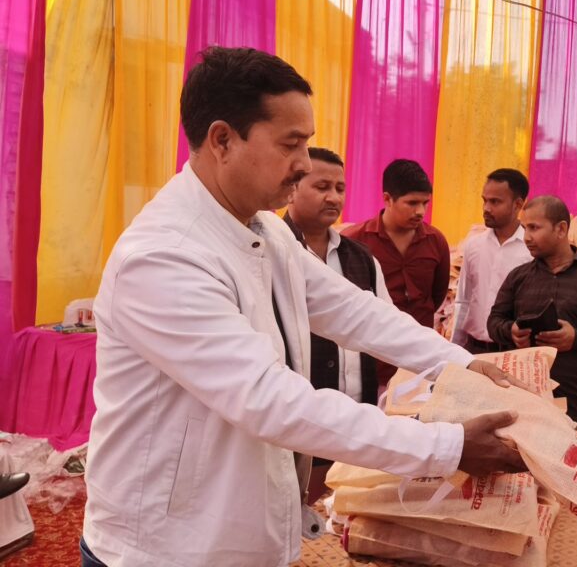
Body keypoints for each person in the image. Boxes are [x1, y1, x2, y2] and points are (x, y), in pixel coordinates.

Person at [82, 47, 524, 567]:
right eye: (291, 144)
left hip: (242, 535)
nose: (304, 164)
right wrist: (443, 447)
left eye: (307, 144)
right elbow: (270, 400)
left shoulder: (264, 230)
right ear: (222, 140)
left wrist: (461, 364)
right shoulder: (164, 256)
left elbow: (353, 310)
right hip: (166, 550)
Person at [282, 146, 393, 503]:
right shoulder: (269, 252)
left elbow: (383, 326)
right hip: (296, 424)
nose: (333, 197)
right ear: (292, 188)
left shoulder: (361, 257)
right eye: (322, 187)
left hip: (357, 423)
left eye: (340, 188)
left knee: (343, 514)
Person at [488, 195, 577, 422]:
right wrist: (511, 332)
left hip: (575, 402)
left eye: (534, 228)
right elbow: (494, 321)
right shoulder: (518, 277)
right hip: (520, 399)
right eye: (525, 228)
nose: (526, 237)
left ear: (561, 229)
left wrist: (576, 339)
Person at [343, 159, 451, 384]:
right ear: (387, 199)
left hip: (421, 360)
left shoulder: (436, 241)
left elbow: (437, 295)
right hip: (372, 360)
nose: (420, 211)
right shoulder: (355, 240)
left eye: (425, 203)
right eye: (411, 203)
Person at [451, 168, 532, 354]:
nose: (486, 208)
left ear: (518, 204)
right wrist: (455, 347)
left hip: (512, 352)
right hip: (473, 349)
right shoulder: (474, 245)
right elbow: (463, 301)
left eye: (495, 202)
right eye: (484, 200)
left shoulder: (532, 251)